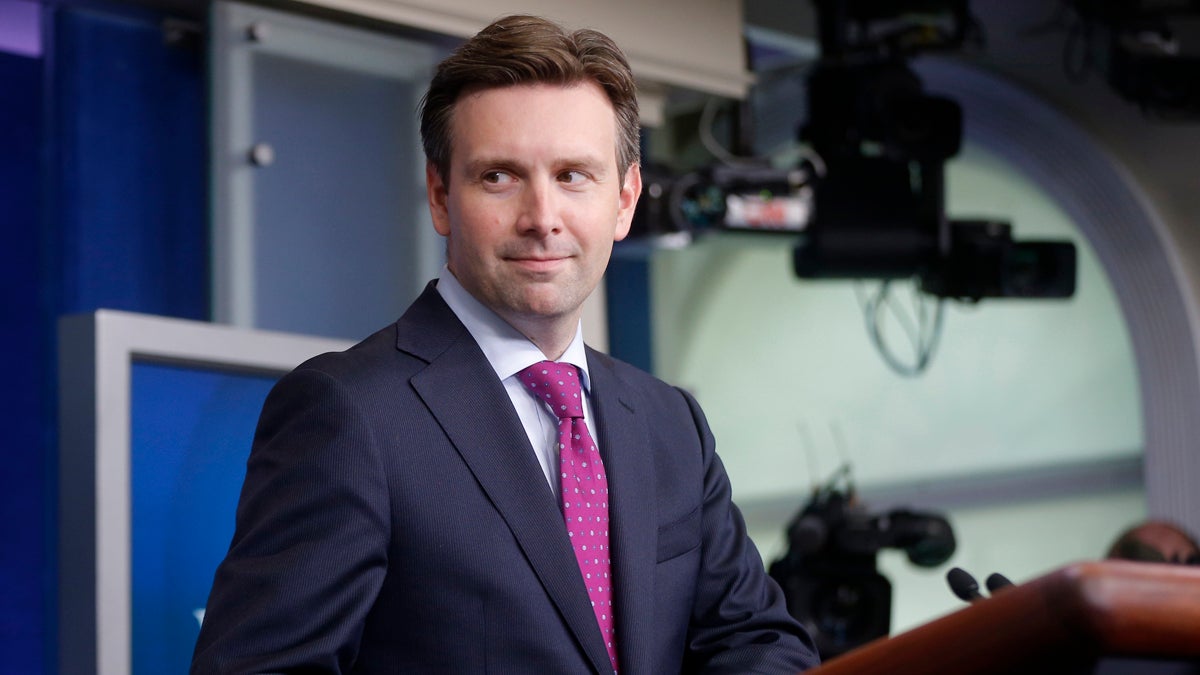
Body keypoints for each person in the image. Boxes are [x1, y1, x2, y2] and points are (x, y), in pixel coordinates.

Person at [192, 14, 819, 674]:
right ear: (440, 195)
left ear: (626, 199)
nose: (542, 217)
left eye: (574, 175)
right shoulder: (350, 413)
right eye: (500, 176)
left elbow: (760, 643)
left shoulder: (671, 423)